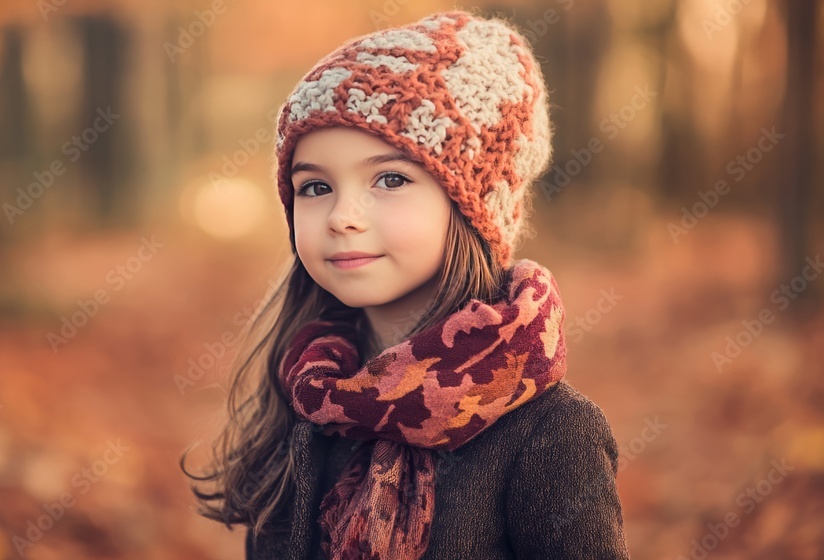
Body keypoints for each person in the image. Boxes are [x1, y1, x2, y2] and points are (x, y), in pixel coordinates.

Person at [181, 9, 631, 560]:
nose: (342, 216)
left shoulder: (551, 435)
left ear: (472, 207)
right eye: (315, 186)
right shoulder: (309, 398)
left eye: (390, 179)